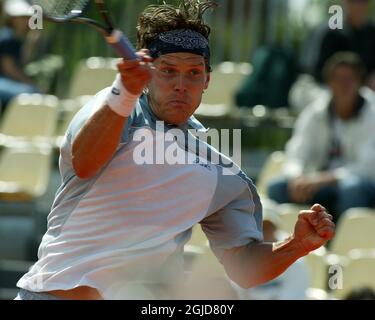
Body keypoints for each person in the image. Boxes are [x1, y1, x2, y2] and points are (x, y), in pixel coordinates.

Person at [15, 0, 335, 300]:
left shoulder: (219, 170)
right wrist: (125, 92)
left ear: (207, 80)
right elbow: (84, 162)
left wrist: (296, 246)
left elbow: (244, 267)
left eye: (193, 73)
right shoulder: (113, 108)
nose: (181, 84)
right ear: (149, 71)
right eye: (168, 70)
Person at [268, 52, 375, 223]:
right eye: (338, 79)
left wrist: (326, 178)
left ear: (359, 82)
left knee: (352, 188)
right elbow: (296, 153)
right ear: (329, 82)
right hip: (318, 181)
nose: (344, 85)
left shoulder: (372, 113)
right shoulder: (315, 112)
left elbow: (368, 167)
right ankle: (289, 243)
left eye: (349, 79)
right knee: (278, 187)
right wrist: (298, 177)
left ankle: (345, 243)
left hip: (359, 184)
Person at [290, 0, 375, 113]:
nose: (359, 5)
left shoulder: (371, 33)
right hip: (314, 88)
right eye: (354, 1)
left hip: (357, 91)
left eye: (363, 1)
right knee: (336, 104)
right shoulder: (329, 31)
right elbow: (317, 73)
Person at [231, 200, 310, 300]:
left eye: (267, 227)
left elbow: (295, 295)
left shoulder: (295, 260)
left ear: (275, 228)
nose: (263, 233)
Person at [0, 0, 39, 113]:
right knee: (31, 92)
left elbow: (23, 62)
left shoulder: (16, 38)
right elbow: (9, 69)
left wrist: (31, 44)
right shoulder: (8, 37)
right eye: (22, 17)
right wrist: (29, 82)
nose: (26, 21)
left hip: (4, 81)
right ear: (12, 19)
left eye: (27, 17)